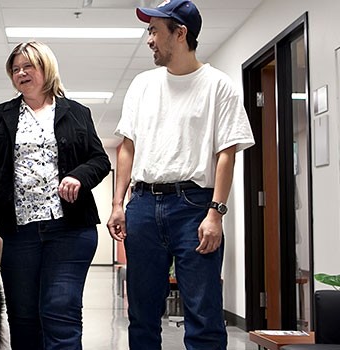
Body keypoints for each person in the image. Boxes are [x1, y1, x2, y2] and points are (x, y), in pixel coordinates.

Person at [107, 1, 255, 349]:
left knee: (203, 314)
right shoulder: (143, 85)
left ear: (180, 33)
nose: (149, 39)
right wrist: (118, 203)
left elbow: (226, 154)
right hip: (142, 205)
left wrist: (215, 213)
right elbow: (127, 147)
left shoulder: (219, 86)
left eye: (154, 30)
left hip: (194, 207)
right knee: (141, 313)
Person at [0, 40, 111, 350]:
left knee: (61, 309)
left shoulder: (76, 112)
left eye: (28, 66)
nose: (21, 73)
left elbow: (100, 161)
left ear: (46, 68)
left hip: (69, 229)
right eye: (15, 69)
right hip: (18, 231)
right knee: (23, 316)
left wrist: (78, 176)